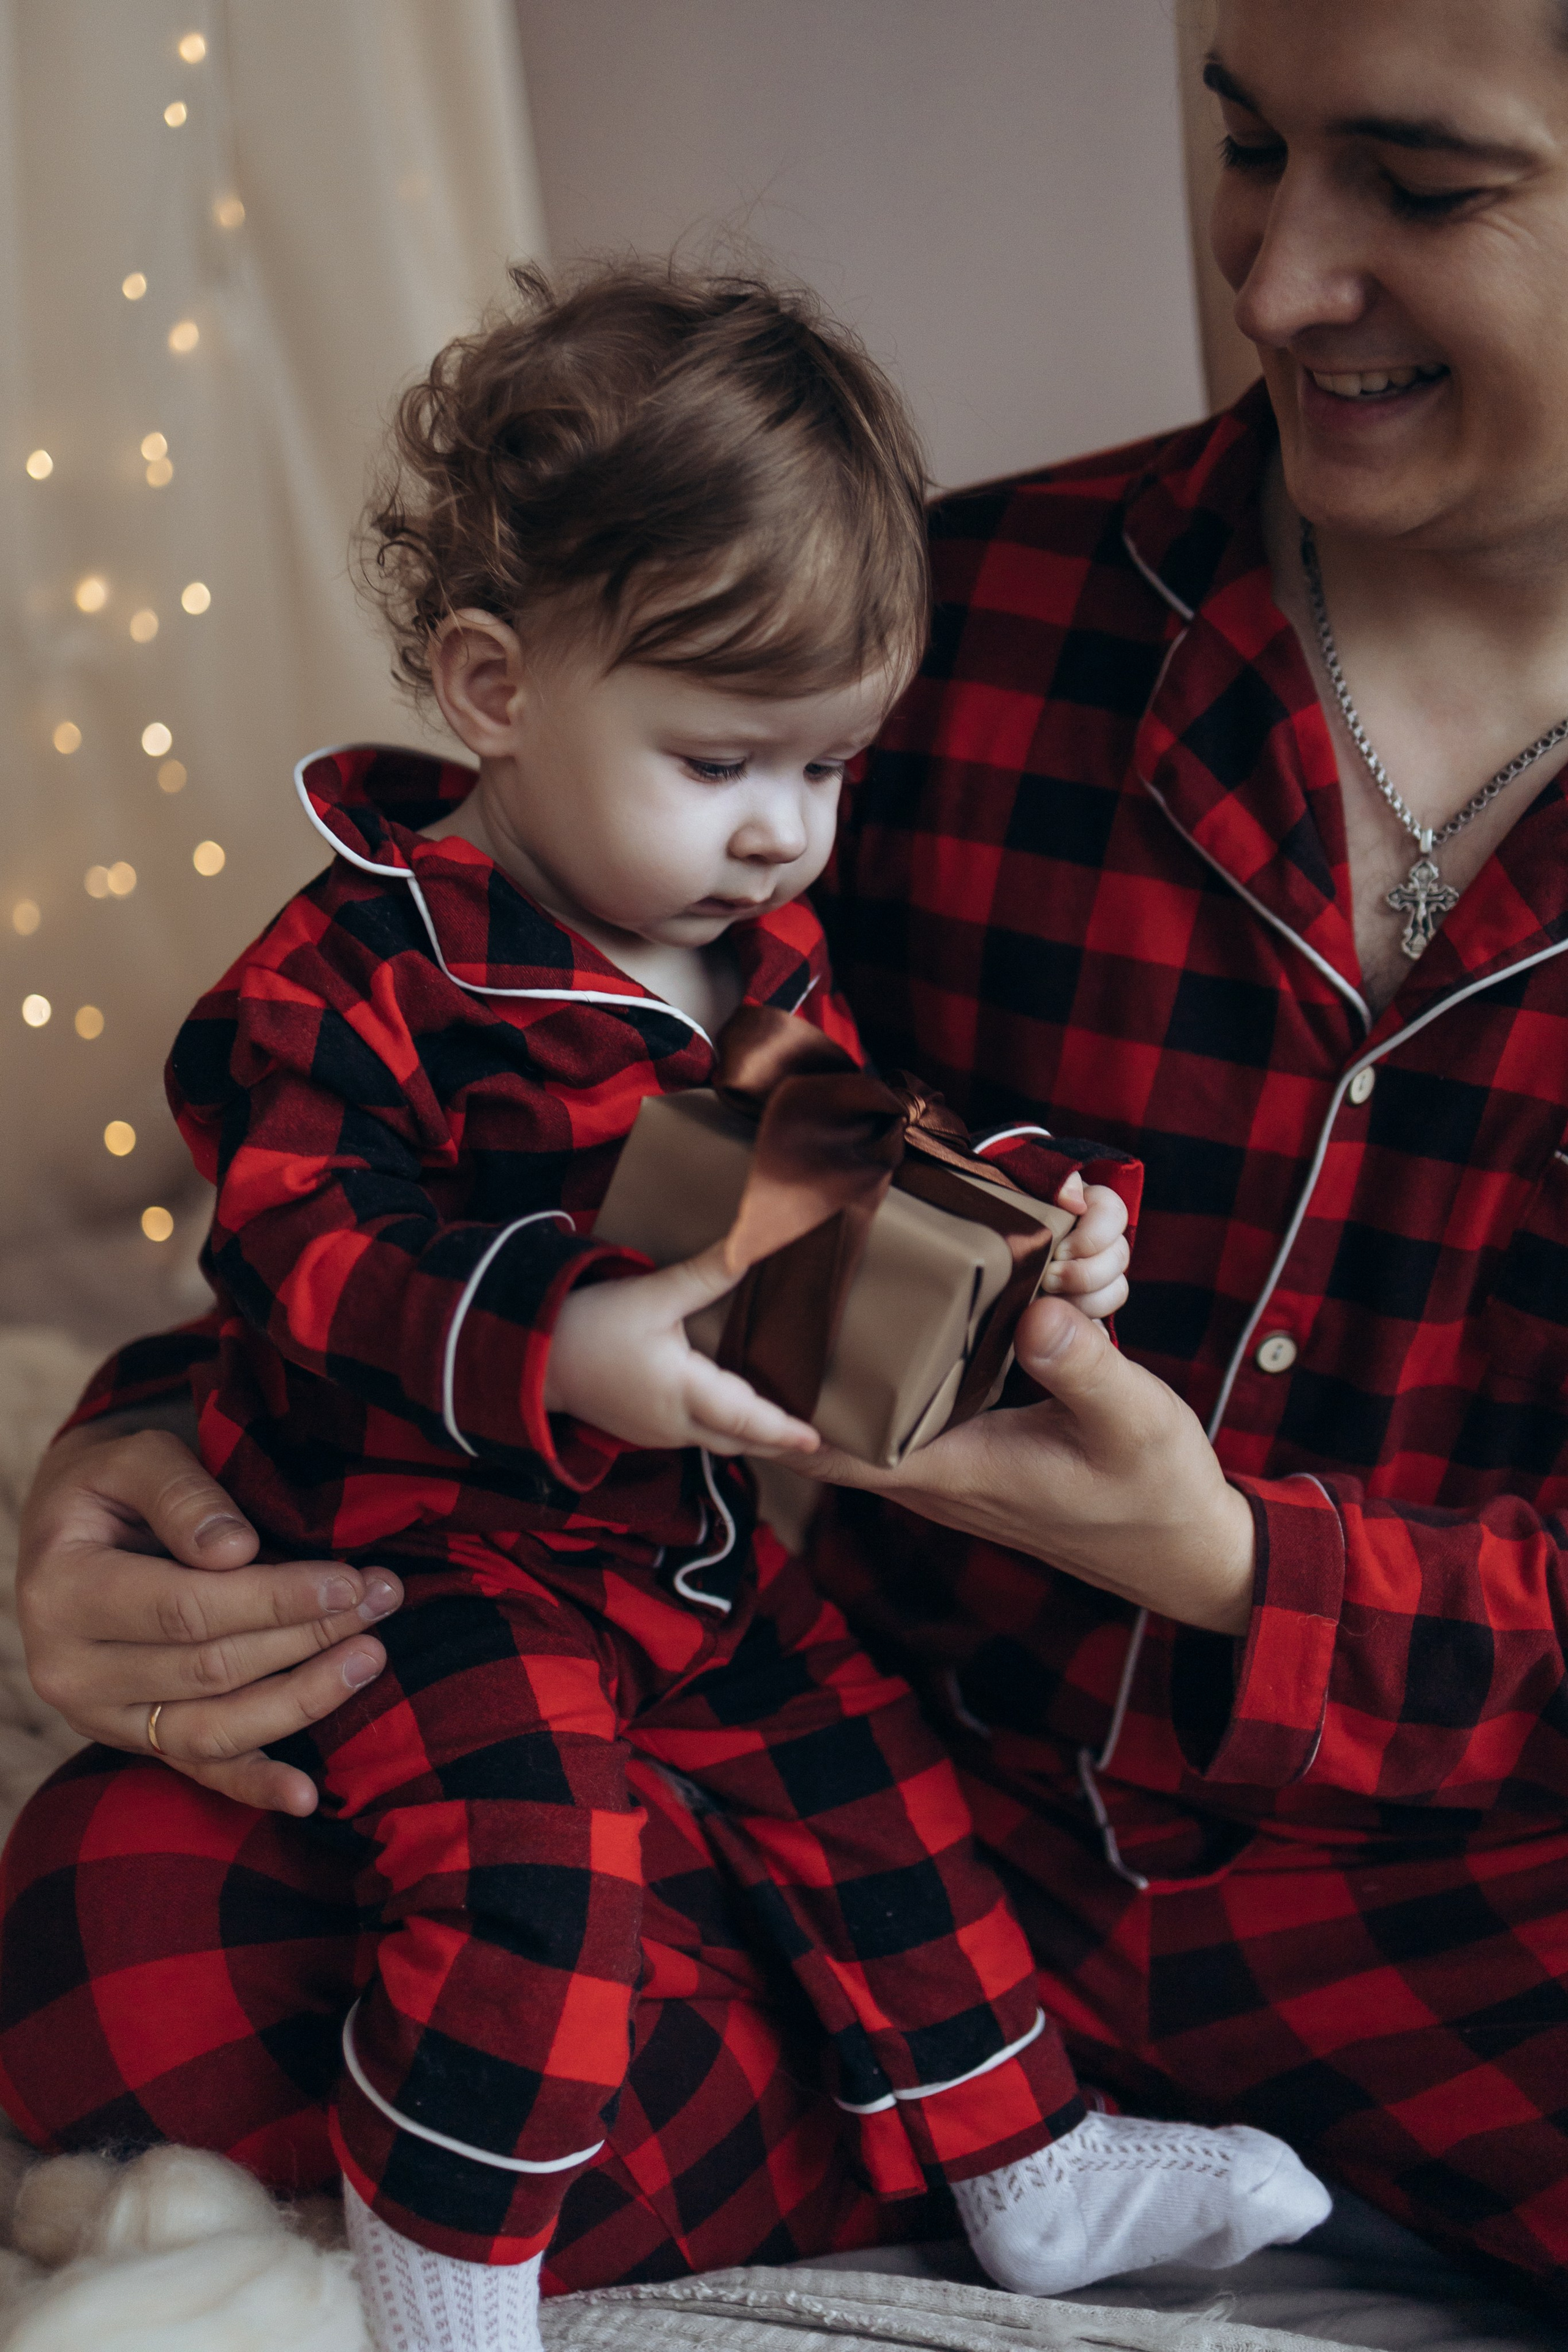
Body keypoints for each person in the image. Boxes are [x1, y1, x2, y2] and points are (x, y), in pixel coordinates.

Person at [12, 0, 1568, 2310]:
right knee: (130, 1918)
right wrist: (139, 1468)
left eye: (1422, 188)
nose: (1274, 282)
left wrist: (1235, 1564)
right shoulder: (923, 636)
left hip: (1464, 1907)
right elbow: (569, 1147)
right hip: (878, 1792)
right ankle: (910, 2138)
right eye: (1246, 146)